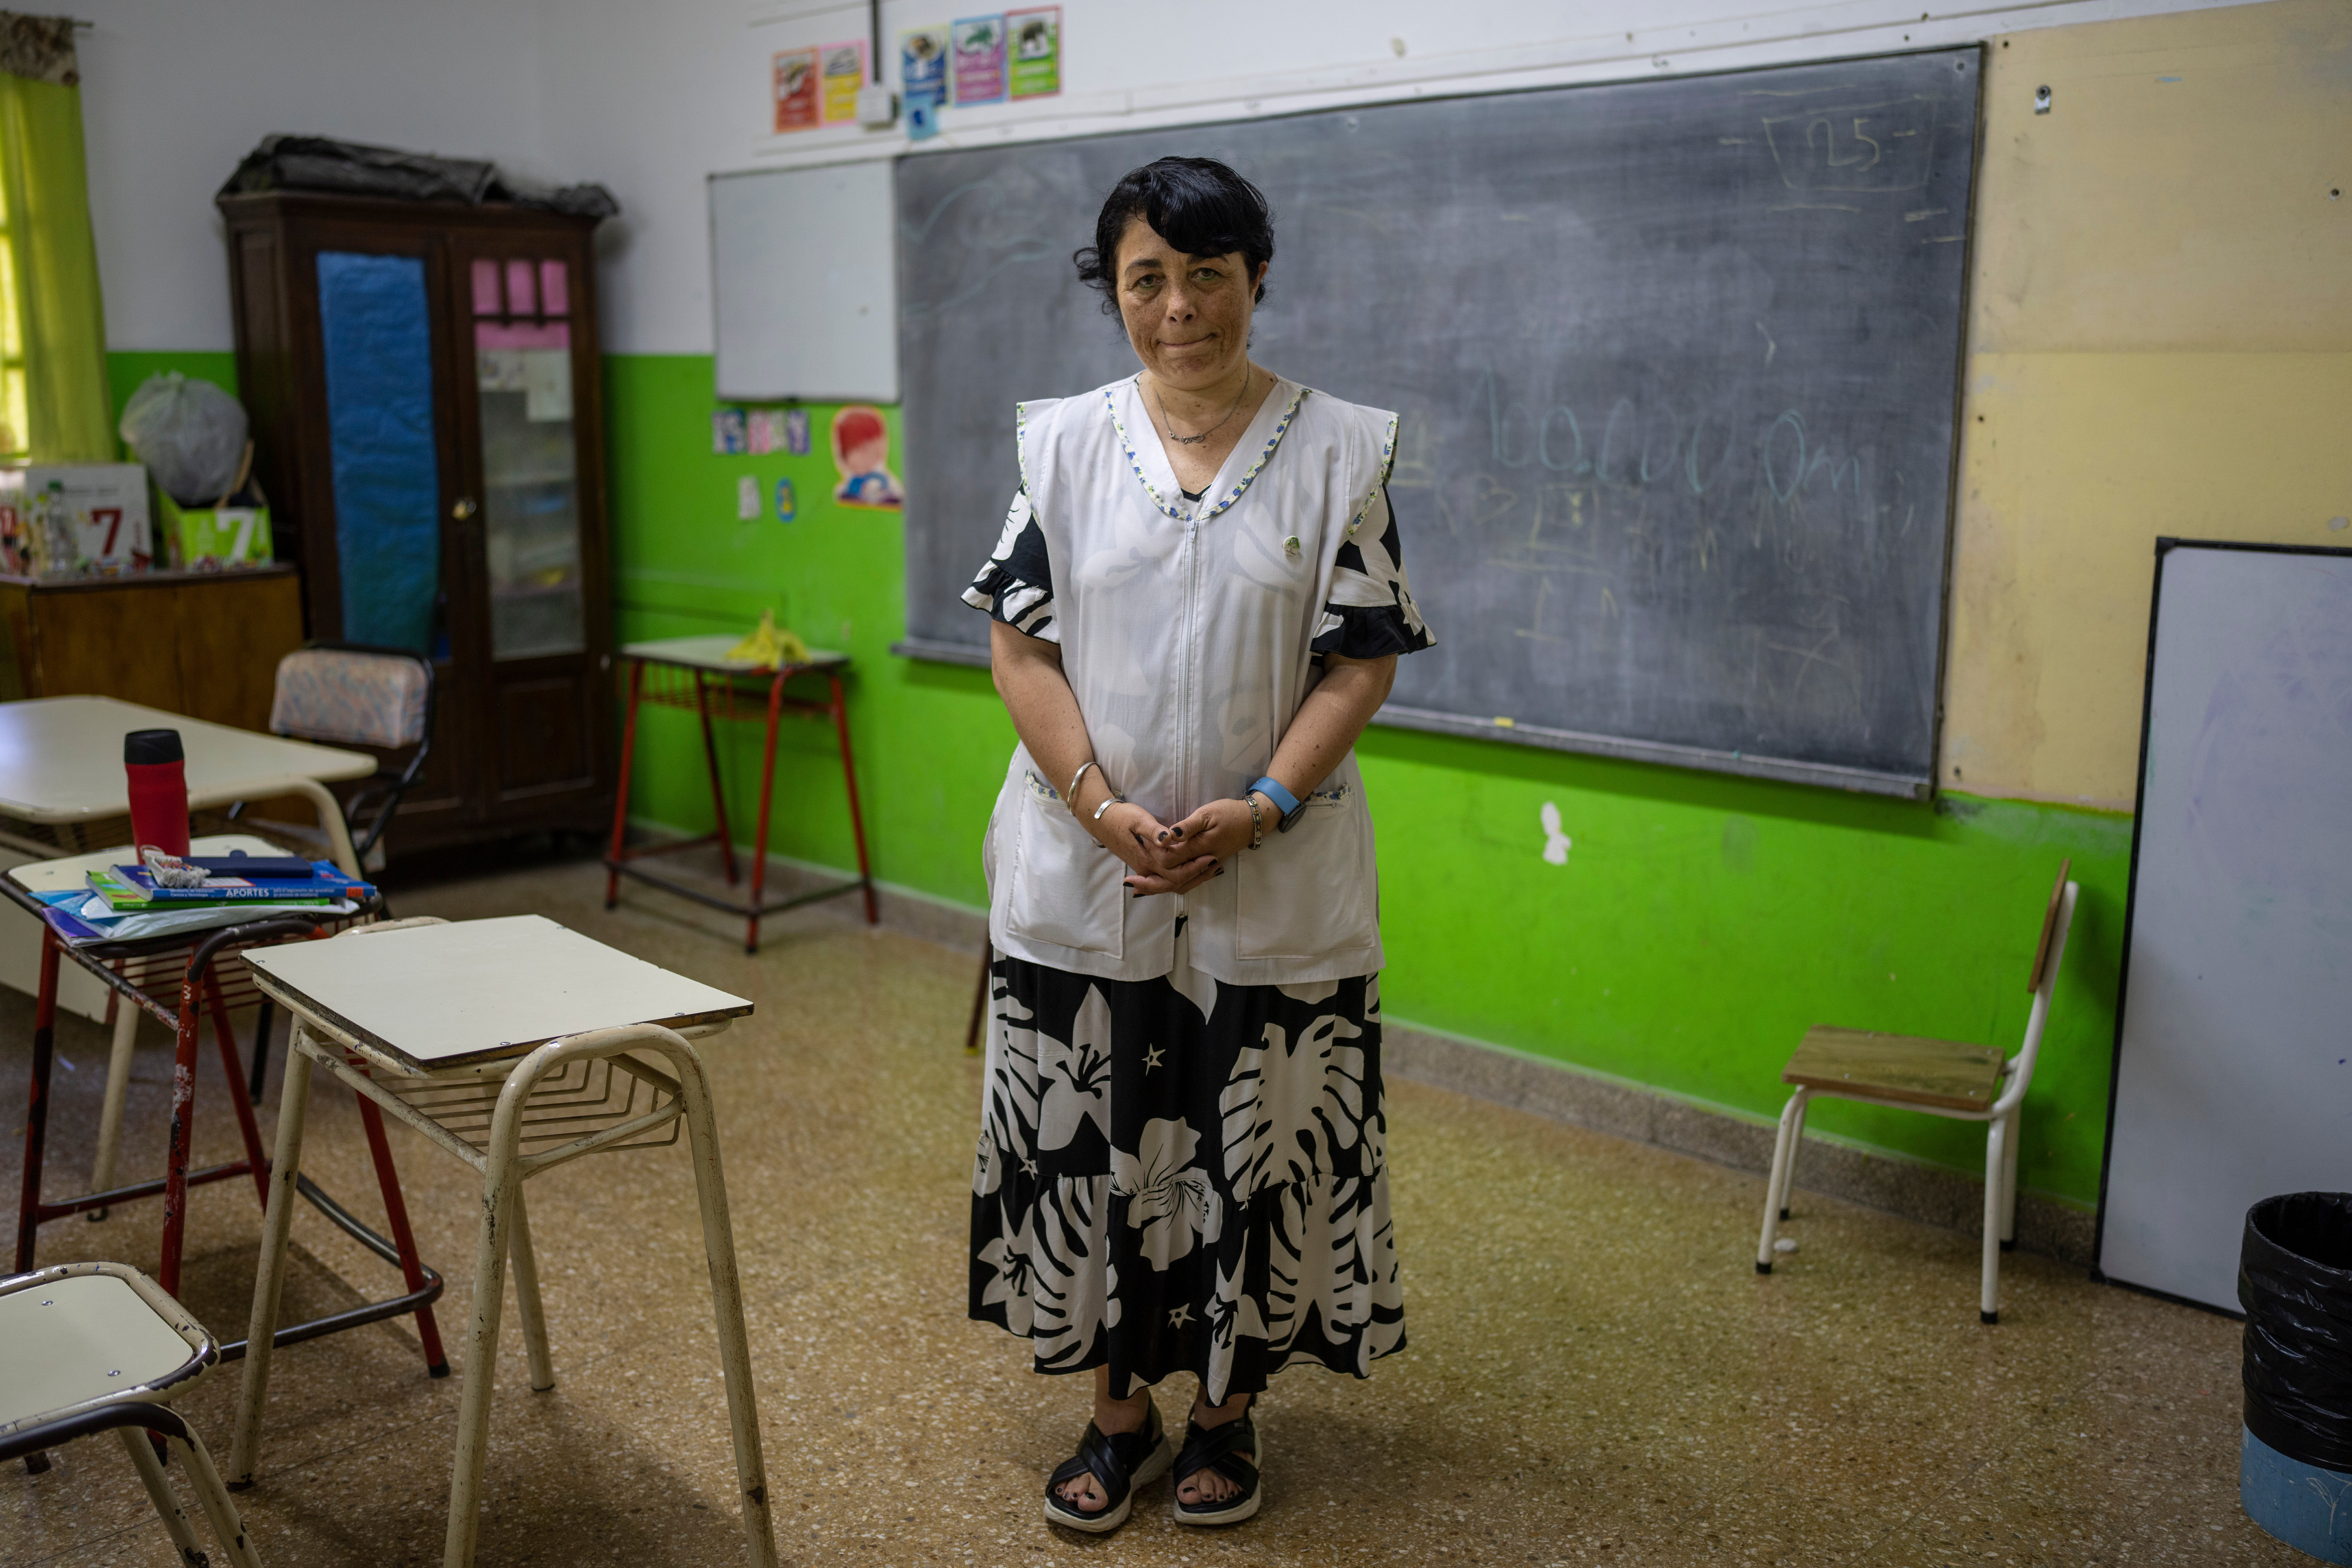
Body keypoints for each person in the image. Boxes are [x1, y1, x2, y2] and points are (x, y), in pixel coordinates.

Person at [962, 155, 1434, 1534]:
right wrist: (1098, 804)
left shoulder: (1340, 450)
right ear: (1114, 291)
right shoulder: (1063, 447)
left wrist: (1266, 806)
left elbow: (1360, 661)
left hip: (1271, 875)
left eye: (1208, 275)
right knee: (1099, 1141)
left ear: (1257, 277)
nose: (1180, 309)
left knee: (1255, 1147)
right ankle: (1118, 1415)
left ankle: (1228, 1412)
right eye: (1147, 280)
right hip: (1086, 869)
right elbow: (1019, 648)